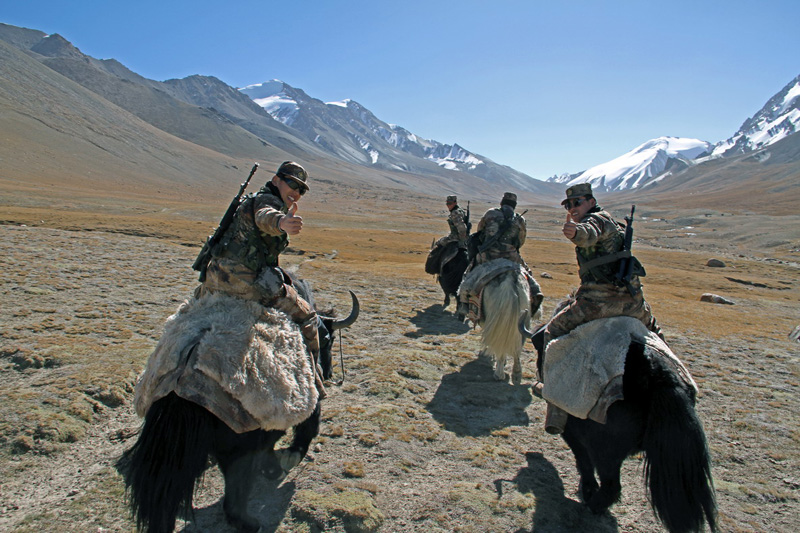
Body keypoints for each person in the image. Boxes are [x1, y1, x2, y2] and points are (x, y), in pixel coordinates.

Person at [538, 182, 663, 434]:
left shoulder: (598, 221)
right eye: (568, 205)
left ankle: (555, 405)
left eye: (578, 202)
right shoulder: (614, 224)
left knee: (551, 332)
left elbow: (588, 232)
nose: (573, 208)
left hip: (597, 303)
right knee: (657, 335)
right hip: (633, 302)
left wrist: (575, 232)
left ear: (591, 202)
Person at [195, 161, 323, 387]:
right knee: (308, 316)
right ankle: (314, 381)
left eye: (301, 189)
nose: (296, 192)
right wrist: (282, 222)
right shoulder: (267, 201)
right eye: (292, 184)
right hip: (246, 284)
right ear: (276, 181)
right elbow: (266, 216)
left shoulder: (250, 200)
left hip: (213, 280)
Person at [458, 192, 543, 317]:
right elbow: (521, 241)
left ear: (502, 203)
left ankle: (464, 303)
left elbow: (479, 231)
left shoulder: (490, 213)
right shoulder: (520, 219)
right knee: (528, 274)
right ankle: (535, 298)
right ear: (514, 205)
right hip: (511, 256)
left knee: (469, 274)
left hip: (488, 255)